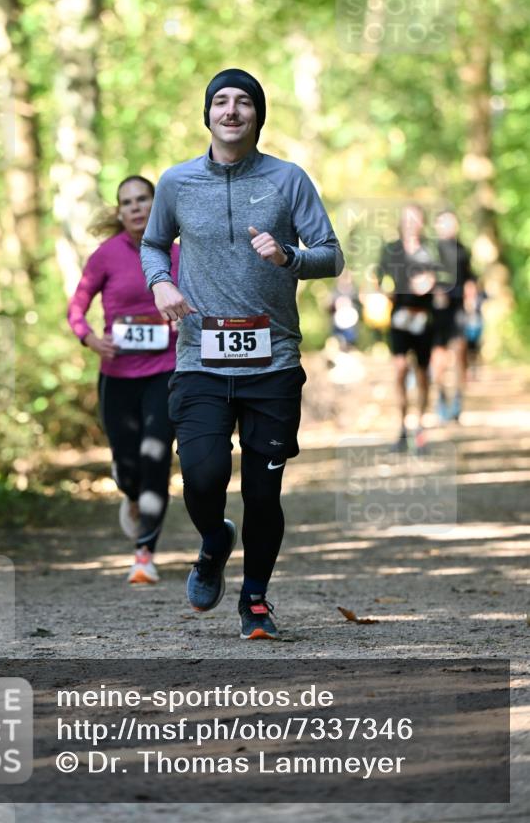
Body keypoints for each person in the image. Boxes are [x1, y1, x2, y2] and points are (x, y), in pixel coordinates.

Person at [140, 68, 344, 640]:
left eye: (244, 102)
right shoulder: (177, 182)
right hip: (200, 359)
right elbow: (153, 244)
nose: (231, 111)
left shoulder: (287, 179)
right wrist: (160, 282)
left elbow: (331, 254)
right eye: (221, 102)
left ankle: (254, 599)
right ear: (207, 114)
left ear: (258, 115)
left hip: (272, 360)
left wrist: (288, 257)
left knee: (262, 491)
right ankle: (213, 542)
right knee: (202, 477)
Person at [68, 176, 179, 585]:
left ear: (156, 204)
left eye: (143, 199)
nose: (135, 207)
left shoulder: (180, 254)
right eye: (127, 202)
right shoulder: (106, 255)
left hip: (165, 372)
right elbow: (77, 307)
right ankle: (131, 495)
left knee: (156, 458)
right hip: (117, 376)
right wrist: (90, 339)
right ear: (120, 211)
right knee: (128, 467)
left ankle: (144, 554)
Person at [375, 204, 440, 452]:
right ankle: (402, 428)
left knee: (422, 374)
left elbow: (442, 278)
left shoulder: (431, 249)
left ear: (422, 222)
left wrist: (430, 282)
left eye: (415, 219)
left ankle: (420, 428)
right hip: (399, 318)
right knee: (400, 369)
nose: (411, 223)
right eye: (407, 219)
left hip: (423, 318)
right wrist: (385, 293)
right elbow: (379, 278)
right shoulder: (391, 249)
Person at [431, 210, 477, 422]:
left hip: (458, 309)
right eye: (443, 223)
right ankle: (441, 397)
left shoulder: (462, 250)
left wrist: (471, 301)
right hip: (438, 311)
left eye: (451, 222)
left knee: (460, 351)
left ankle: (458, 399)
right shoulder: (431, 250)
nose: (447, 227)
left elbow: (470, 279)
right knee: (438, 357)